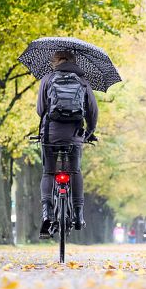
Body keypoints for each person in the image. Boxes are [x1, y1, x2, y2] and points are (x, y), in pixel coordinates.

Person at [37, 50, 99, 238]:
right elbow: (92, 111)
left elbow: (40, 110)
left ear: (55, 62)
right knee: (75, 170)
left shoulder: (47, 79)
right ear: (74, 62)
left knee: (49, 171)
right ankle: (79, 214)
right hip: (74, 135)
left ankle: (47, 213)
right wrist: (89, 132)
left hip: (50, 134)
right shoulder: (83, 81)